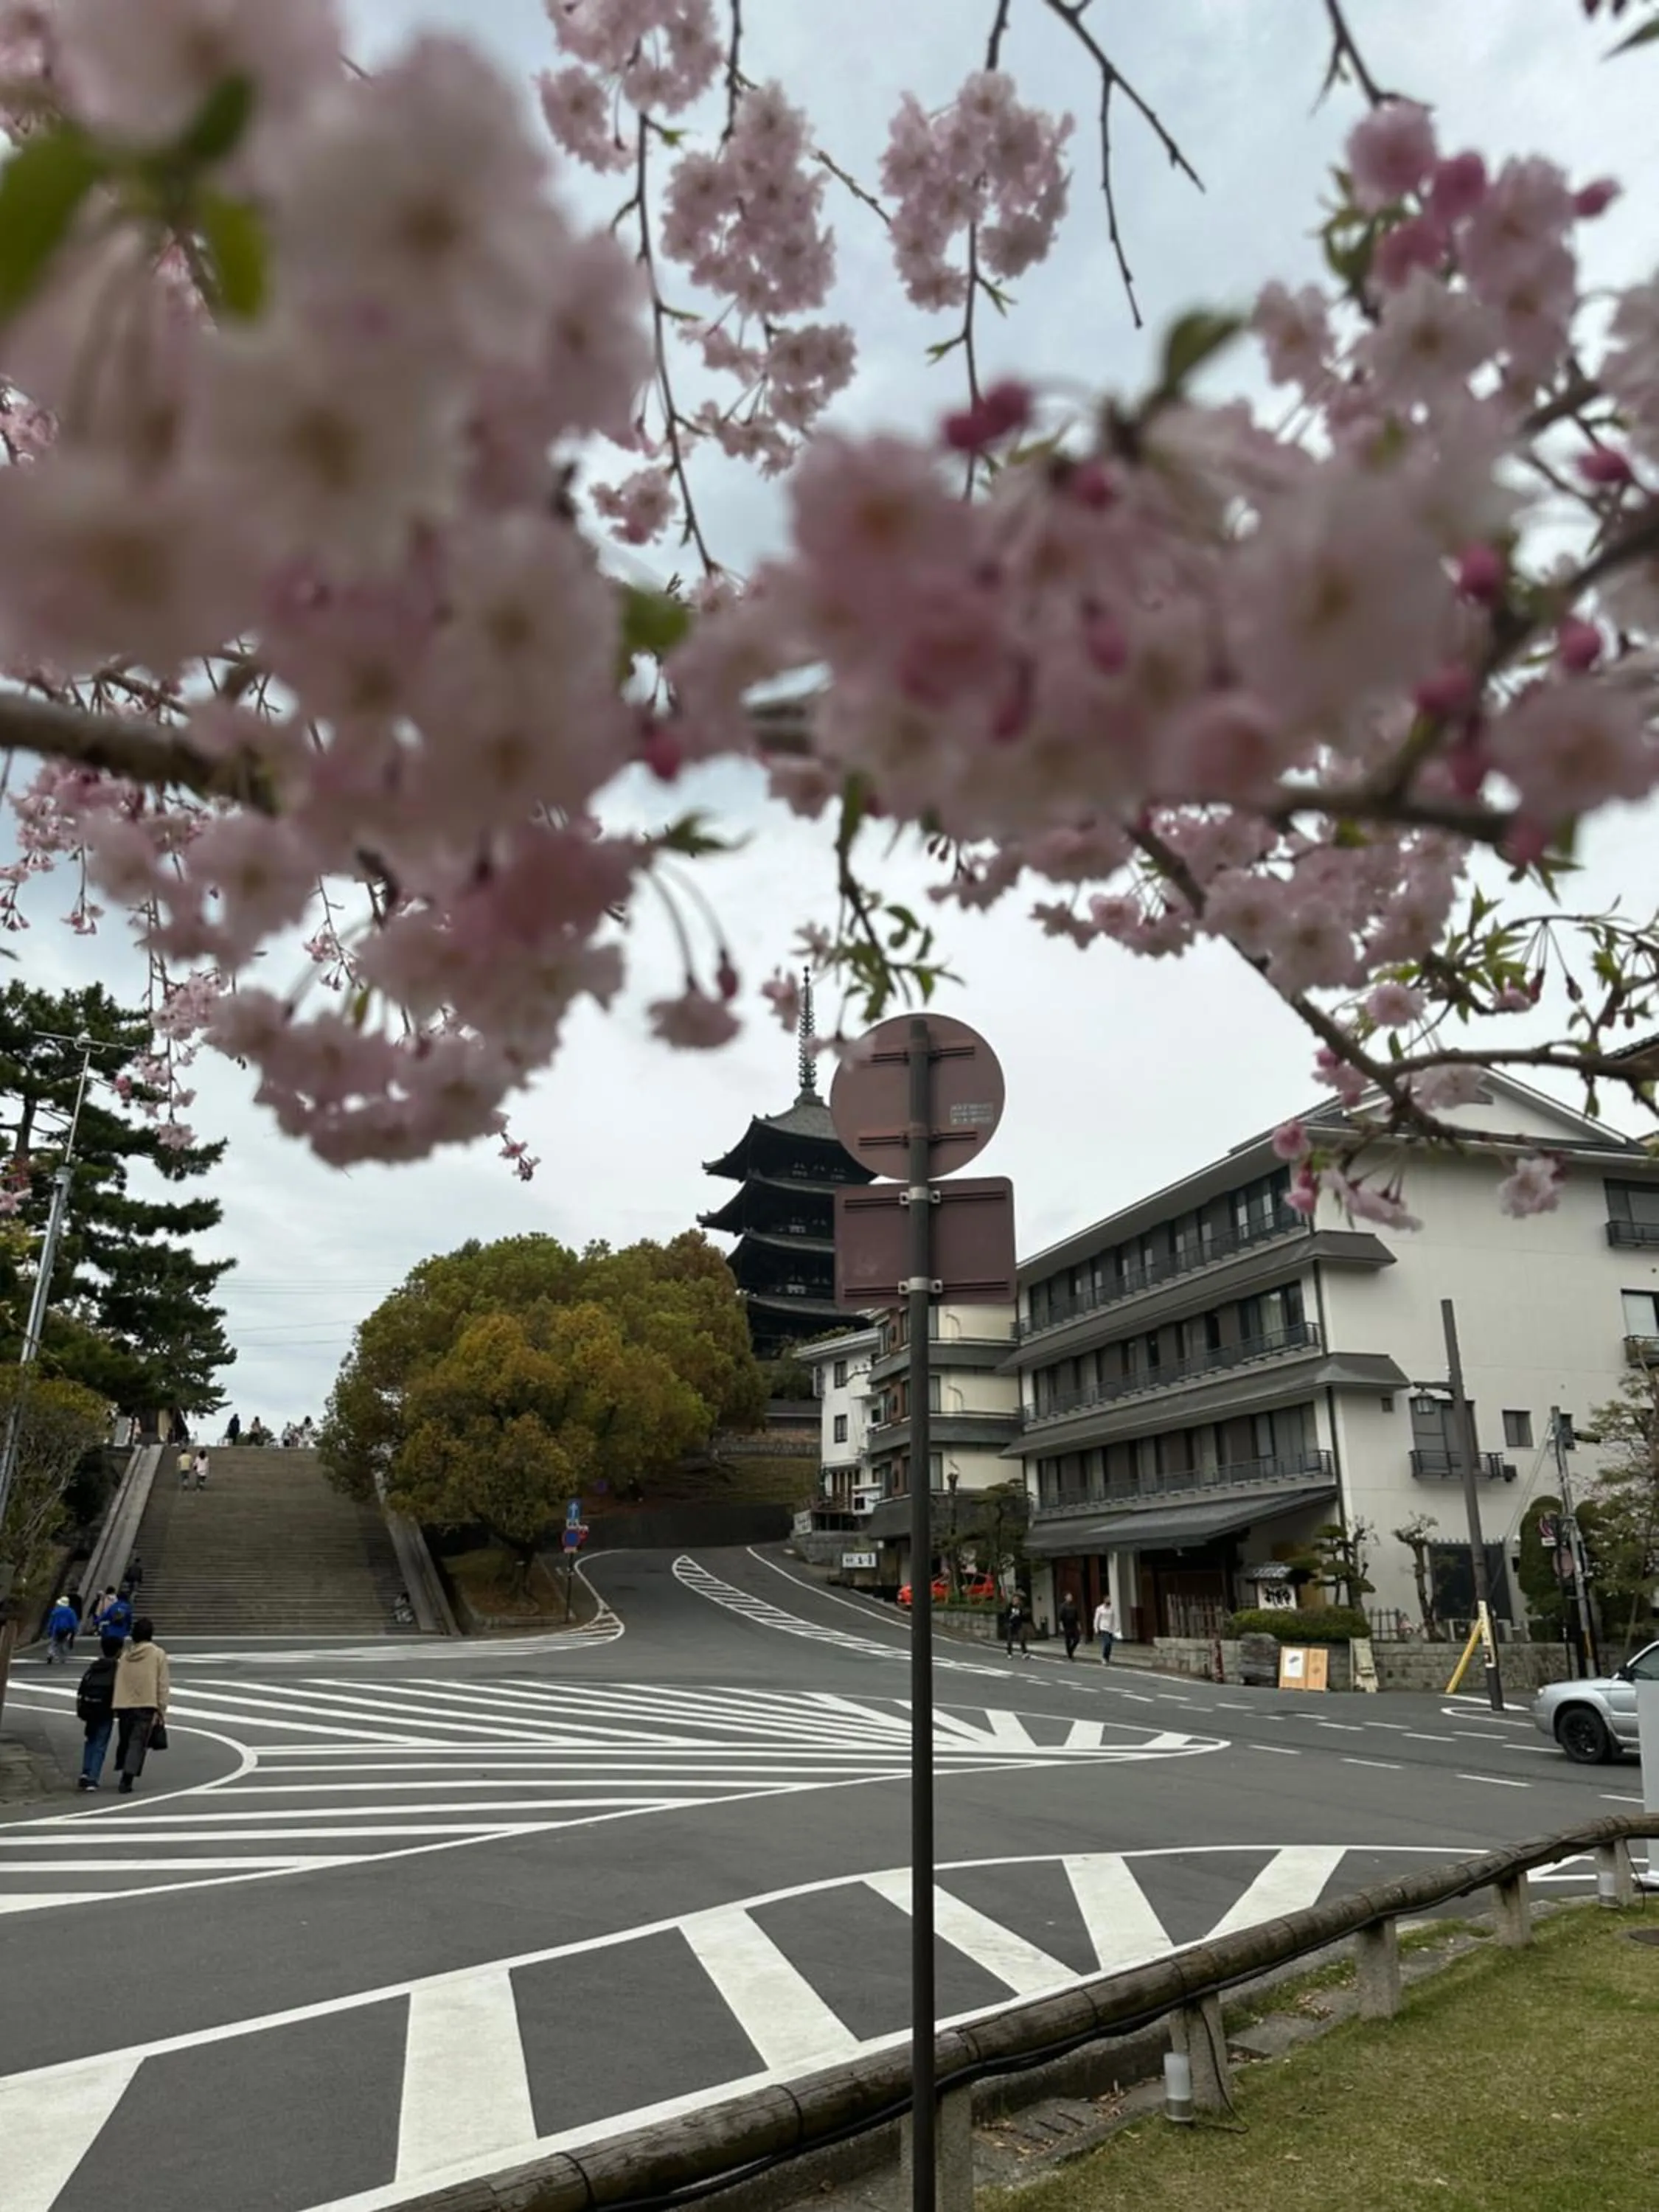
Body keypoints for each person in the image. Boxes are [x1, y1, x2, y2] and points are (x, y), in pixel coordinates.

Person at [112, 1616, 170, 1793]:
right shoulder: (157, 1654)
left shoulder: (126, 1656)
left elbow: (119, 1679)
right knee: (137, 1741)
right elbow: (162, 1683)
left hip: (124, 1704)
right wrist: (161, 1708)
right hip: (146, 1703)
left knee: (126, 1738)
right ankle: (127, 1777)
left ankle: (124, 1768)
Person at [75, 1632, 125, 1790]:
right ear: (119, 1650)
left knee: (90, 1740)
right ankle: (92, 1778)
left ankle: (85, 1772)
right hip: (106, 1709)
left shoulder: (94, 1666)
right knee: (101, 1744)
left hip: (90, 1707)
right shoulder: (117, 1668)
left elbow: (82, 1687)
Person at [44, 1594, 78, 1664]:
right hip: (66, 1630)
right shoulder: (71, 1611)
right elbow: (73, 1622)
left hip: (56, 1629)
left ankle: (51, 1654)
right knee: (63, 1643)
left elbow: (51, 1622)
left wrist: (49, 1630)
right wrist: (73, 1630)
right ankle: (62, 1658)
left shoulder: (56, 1611)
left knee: (54, 1643)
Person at [1004, 1591, 1030, 1658]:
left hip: (1019, 1624)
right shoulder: (1010, 1607)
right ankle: (1009, 1653)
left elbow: (1022, 1616)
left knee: (1022, 1638)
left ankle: (1025, 1653)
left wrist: (1023, 1616)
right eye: (1014, 1599)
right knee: (1010, 1639)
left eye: (1017, 1600)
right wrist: (1008, 1622)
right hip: (1011, 1624)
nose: (1015, 1601)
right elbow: (1006, 1615)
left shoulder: (1020, 1607)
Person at [1094, 1595, 1117, 1664]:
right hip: (1103, 1628)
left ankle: (1107, 1658)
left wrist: (1115, 1628)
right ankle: (1104, 1657)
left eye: (1109, 1600)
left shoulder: (1112, 1609)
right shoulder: (1100, 1609)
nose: (1109, 1601)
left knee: (1110, 1645)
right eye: (1107, 1599)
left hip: (1110, 1629)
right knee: (1107, 1643)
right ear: (1104, 1600)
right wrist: (1096, 1628)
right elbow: (1096, 1619)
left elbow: (1114, 1619)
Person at [1059, 1592, 1082, 1661]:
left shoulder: (1074, 1606)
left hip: (1074, 1625)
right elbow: (1060, 1617)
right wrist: (1061, 1625)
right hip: (1067, 1625)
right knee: (1068, 1640)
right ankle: (1070, 1655)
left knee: (1077, 1639)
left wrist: (1078, 1625)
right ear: (1065, 1597)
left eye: (1071, 1597)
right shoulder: (1063, 1606)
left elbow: (1077, 1617)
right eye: (1069, 1597)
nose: (1070, 1598)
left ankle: (1071, 1651)